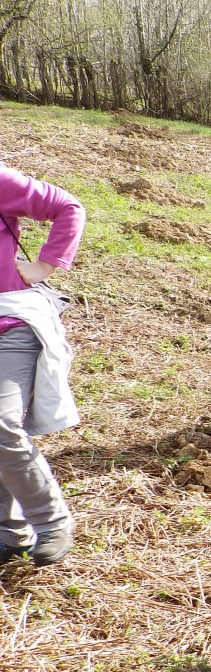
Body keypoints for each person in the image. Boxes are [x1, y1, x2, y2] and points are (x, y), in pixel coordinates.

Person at [0, 164, 85, 568]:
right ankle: (8, 533)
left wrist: (43, 266)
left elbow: (68, 207)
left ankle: (51, 521)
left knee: (0, 423)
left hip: (9, 321)